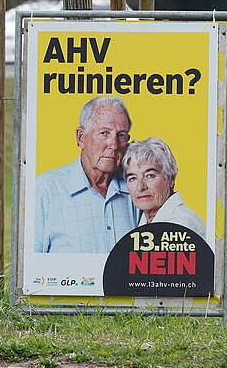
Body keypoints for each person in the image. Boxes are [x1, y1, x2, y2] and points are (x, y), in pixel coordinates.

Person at [33, 96, 139, 253]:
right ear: (81, 137)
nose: (114, 145)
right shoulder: (46, 189)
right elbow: (30, 266)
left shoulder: (137, 190)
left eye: (121, 135)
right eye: (104, 133)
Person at [122, 137, 206, 237]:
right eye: (132, 178)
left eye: (150, 176)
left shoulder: (180, 224)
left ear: (171, 179)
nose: (140, 187)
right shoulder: (146, 219)